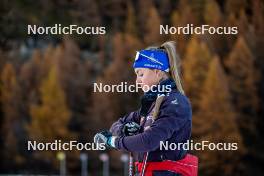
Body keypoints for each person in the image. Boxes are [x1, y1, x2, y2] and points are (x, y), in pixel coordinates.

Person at [94, 41, 198, 176]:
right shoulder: (150, 106)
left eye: (141, 74)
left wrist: (112, 141)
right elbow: (117, 124)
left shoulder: (176, 102)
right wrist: (124, 129)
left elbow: (149, 141)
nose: (137, 81)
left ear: (158, 72)